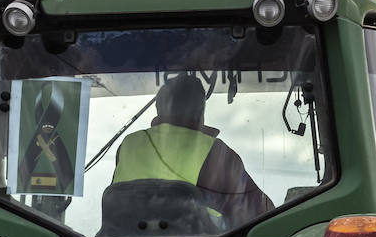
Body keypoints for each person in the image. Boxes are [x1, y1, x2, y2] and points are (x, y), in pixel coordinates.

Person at [112, 75, 274, 225]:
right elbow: (260, 216)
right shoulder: (215, 152)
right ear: (200, 111)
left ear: (159, 108)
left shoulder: (128, 145)